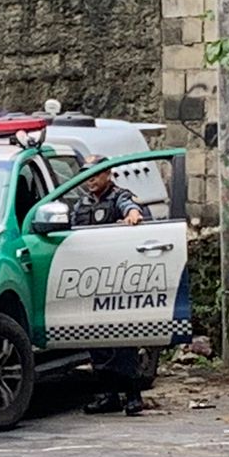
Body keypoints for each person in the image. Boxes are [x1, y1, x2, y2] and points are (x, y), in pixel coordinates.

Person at [71, 157, 151, 417]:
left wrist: (132, 215)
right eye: (87, 175)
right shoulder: (80, 205)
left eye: (96, 174)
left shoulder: (120, 196)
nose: (91, 180)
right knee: (97, 339)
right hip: (90, 279)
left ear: (109, 174)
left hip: (118, 278)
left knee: (123, 338)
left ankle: (132, 395)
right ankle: (108, 395)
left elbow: (131, 208)